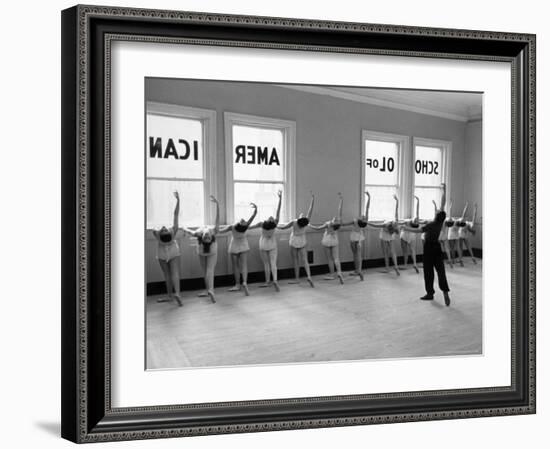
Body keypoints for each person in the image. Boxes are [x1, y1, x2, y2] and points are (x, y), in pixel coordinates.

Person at [404, 183, 451, 306]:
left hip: (429, 248)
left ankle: (430, 293)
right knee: (441, 271)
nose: (437, 211)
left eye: (437, 212)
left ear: (436, 216)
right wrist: (444, 190)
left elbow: (418, 230)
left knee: (428, 271)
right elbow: (443, 203)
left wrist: (406, 228)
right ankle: (445, 291)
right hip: (437, 248)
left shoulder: (431, 225)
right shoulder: (440, 223)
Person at [182, 196, 220, 304]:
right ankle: (208, 290)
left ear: (202, 238)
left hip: (211, 250)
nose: (207, 235)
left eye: (206, 237)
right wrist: (217, 205)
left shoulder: (198, 234)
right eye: (207, 237)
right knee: (206, 271)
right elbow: (217, 219)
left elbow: (187, 230)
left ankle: (210, 290)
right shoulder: (213, 231)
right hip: (202, 250)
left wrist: (217, 205)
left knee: (209, 270)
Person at [218, 203, 258, 296]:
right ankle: (244, 282)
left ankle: (237, 284)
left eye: (243, 220)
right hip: (243, 245)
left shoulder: (232, 227)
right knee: (244, 266)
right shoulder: (245, 226)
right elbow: (252, 217)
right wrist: (256, 210)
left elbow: (220, 231)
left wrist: (214, 229)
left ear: (240, 224)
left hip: (234, 246)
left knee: (235, 266)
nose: (243, 220)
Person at [151, 191, 183, 307]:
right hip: (173, 251)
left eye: (163, 229)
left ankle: (170, 295)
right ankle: (177, 294)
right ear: (169, 233)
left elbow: (154, 229)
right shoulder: (173, 231)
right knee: (175, 274)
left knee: (167, 275)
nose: (164, 227)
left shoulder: (157, 235)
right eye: (164, 229)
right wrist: (178, 200)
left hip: (162, 253)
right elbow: (175, 215)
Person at [277, 192, 315, 287]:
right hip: (302, 241)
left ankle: (297, 279)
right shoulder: (306, 222)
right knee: (305, 260)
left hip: (294, 240)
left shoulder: (294, 222)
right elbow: (310, 211)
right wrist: (312, 199)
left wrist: (275, 226)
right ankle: (309, 276)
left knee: (295, 260)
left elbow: (283, 227)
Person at [248, 190, 283, 291]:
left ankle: (268, 281)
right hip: (272, 245)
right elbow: (278, 211)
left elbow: (250, 227)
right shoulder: (275, 224)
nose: (272, 217)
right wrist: (280, 198)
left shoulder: (262, 224)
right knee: (273, 263)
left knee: (266, 264)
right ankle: (275, 281)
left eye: (271, 218)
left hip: (263, 244)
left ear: (269, 221)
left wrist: (242, 227)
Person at [310, 193, 345, 284]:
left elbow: (318, 228)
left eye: (335, 218)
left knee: (329, 259)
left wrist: (310, 225)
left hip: (327, 240)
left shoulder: (328, 223)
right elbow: (339, 211)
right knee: (336, 258)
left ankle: (332, 274)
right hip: (334, 240)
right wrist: (341, 200)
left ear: (334, 221)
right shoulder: (338, 225)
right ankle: (339, 272)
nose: (335, 217)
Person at [367, 194, 400, 276]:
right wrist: (397, 201)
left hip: (384, 237)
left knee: (385, 253)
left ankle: (387, 268)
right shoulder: (395, 224)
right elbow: (396, 211)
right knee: (393, 252)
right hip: (390, 237)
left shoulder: (386, 224)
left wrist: (367, 223)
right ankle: (395, 266)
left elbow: (375, 225)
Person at [341, 191, 370, 281]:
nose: (363, 215)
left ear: (362, 220)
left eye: (363, 216)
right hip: (357, 237)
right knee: (356, 254)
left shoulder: (357, 221)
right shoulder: (361, 222)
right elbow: (367, 208)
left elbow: (367, 208)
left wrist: (369, 197)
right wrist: (369, 197)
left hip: (355, 238)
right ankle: (357, 270)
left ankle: (359, 270)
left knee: (357, 255)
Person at [398, 195, 421, 273]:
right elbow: (417, 211)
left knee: (405, 251)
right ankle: (414, 263)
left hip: (405, 236)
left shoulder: (408, 222)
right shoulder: (415, 223)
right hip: (411, 235)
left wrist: (418, 201)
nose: (416, 219)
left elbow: (399, 223)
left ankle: (406, 265)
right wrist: (418, 201)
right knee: (412, 250)